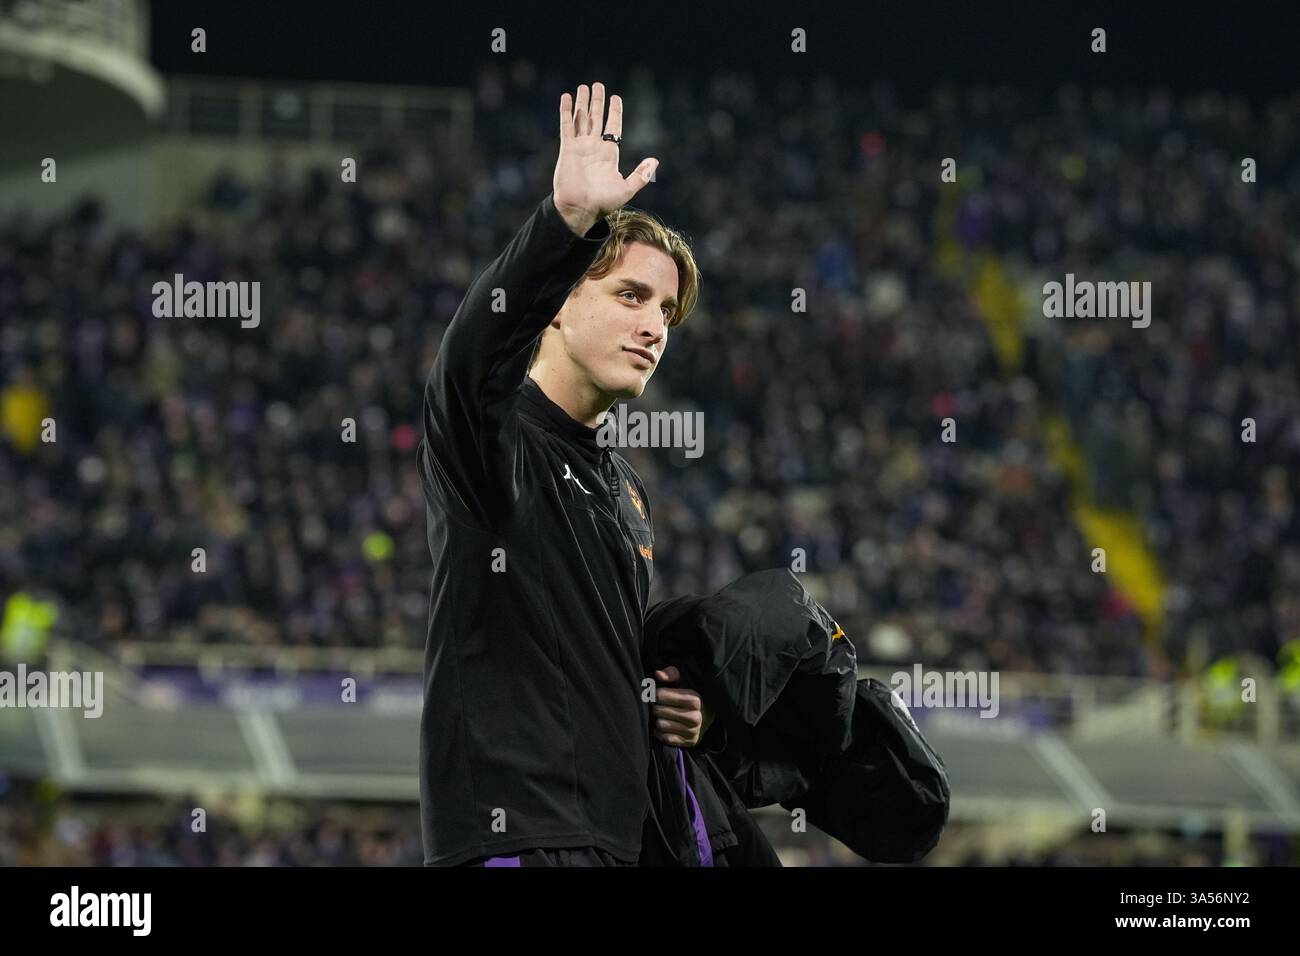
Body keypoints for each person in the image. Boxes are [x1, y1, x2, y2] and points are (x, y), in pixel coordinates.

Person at [418, 82, 708, 866]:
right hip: (520, 837)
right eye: (629, 294)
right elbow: (469, 367)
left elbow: (601, 662)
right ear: (553, 306)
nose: (653, 324)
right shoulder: (496, 439)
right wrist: (567, 224)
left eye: (665, 311)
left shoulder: (624, 487)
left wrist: (674, 706)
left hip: (614, 844)